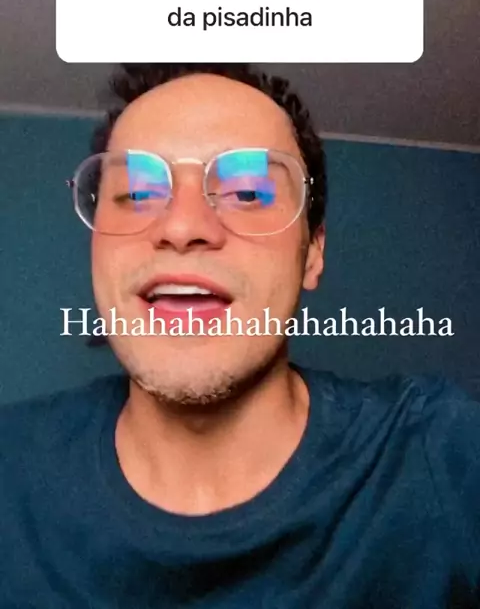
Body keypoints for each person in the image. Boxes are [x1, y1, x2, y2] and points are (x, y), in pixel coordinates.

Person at [1, 63, 479, 608]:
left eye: (247, 192)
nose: (182, 227)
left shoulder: (444, 456)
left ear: (312, 252)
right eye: (137, 192)